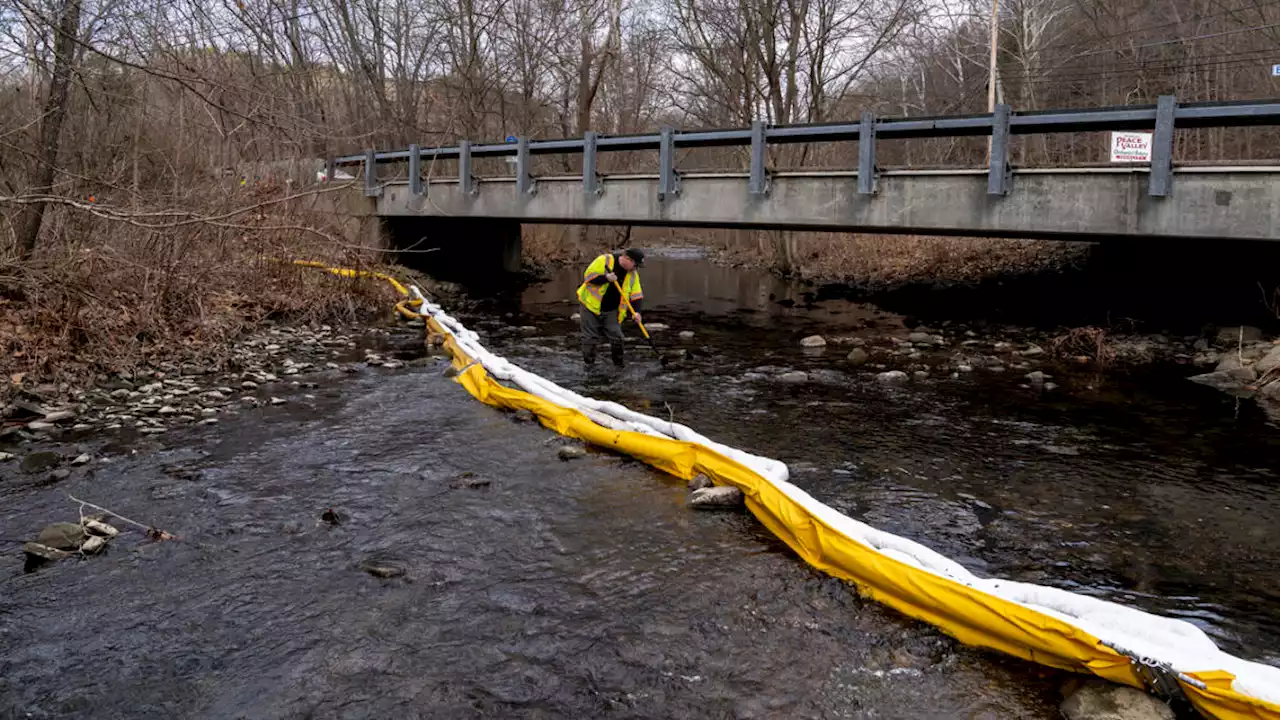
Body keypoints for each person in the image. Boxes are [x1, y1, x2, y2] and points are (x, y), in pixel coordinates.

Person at [576, 248, 646, 366]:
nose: (636, 268)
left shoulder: (633, 274)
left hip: (612, 311)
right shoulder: (604, 261)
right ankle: (589, 365)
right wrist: (606, 278)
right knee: (590, 338)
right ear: (627, 259)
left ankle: (618, 365)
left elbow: (636, 295)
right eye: (635, 265)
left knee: (617, 337)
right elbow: (588, 278)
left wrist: (637, 312)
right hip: (590, 307)